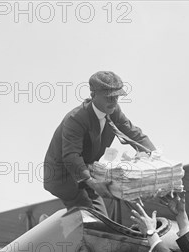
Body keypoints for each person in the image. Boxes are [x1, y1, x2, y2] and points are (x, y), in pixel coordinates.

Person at [43, 70, 156, 216]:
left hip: (86, 172)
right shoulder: (76, 118)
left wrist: (156, 159)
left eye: (117, 96)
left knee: (102, 217)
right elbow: (71, 156)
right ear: (93, 95)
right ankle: (51, 224)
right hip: (62, 176)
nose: (114, 101)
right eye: (109, 97)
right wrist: (91, 181)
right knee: (91, 218)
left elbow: (134, 134)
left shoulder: (114, 111)